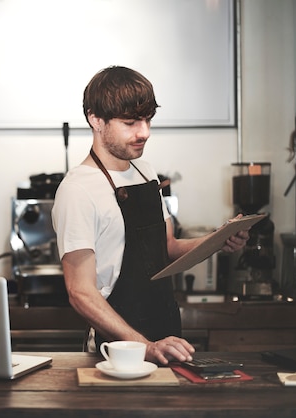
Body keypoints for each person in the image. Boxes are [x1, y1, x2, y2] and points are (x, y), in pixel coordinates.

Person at [51, 66, 249, 366]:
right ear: (95, 119)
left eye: (147, 120)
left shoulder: (145, 171)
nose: (144, 132)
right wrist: (143, 346)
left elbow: (167, 247)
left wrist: (219, 239)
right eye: (130, 122)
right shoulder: (77, 189)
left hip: (165, 337)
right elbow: (80, 292)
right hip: (115, 351)